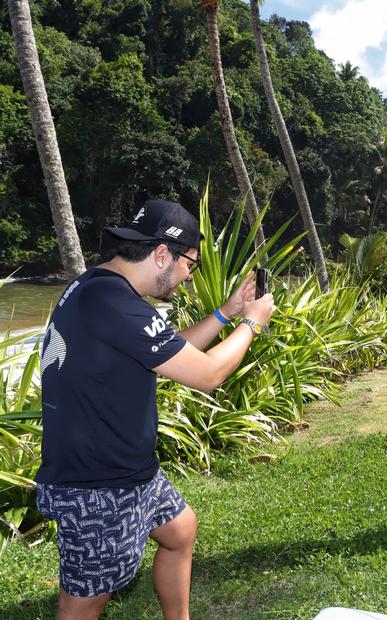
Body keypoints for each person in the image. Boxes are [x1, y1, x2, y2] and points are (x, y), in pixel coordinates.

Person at [35, 199, 275, 619]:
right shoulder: (114, 302)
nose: (187, 276)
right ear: (163, 254)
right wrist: (252, 323)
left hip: (129, 469)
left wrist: (227, 312)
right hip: (96, 484)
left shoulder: (99, 288)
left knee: (180, 530)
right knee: (85, 601)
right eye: (190, 265)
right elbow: (208, 375)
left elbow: (170, 352)